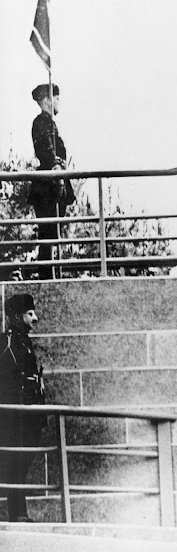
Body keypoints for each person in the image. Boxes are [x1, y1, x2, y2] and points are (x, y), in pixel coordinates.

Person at [0, 293, 46, 522]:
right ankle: (18, 514)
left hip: (29, 416)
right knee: (16, 462)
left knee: (21, 463)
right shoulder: (8, 344)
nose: (35, 318)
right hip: (15, 417)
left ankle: (19, 513)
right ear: (17, 316)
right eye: (30, 314)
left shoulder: (24, 343)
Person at [28, 84, 75, 279]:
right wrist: (56, 166)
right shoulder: (42, 122)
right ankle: (47, 275)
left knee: (52, 234)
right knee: (48, 233)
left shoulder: (49, 122)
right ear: (46, 100)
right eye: (55, 98)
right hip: (48, 186)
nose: (58, 101)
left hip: (53, 185)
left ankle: (51, 272)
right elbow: (46, 152)